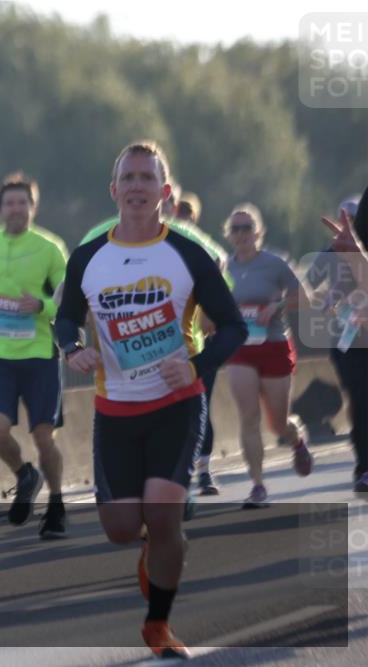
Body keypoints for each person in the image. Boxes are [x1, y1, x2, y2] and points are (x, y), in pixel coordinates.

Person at [56, 141, 246, 660]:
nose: (137, 187)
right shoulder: (88, 257)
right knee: (121, 528)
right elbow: (65, 318)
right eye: (128, 178)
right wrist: (72, 348)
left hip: (176, 404)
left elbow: (234, 326)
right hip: (114, 409)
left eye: (146, 178)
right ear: (113, 190)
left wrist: (195, 366)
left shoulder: (188, 254)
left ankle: (158, 624)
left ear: (164, 192)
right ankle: (151, 547)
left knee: (164, 517)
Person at [78, 192, 230, 497]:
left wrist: (208, 308)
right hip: (122, 361)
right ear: (116, 193)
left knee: (182, 421)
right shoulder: (97, 235)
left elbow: (219, 260)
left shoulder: (181, 233)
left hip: (180, 354)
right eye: (129, 185)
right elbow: (74, 285)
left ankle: (187, 479)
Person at [0, 172, 69, 536]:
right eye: (9, 203)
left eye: (22, 203)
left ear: (33, 207)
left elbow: (67, 299)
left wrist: (40, 305)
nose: (16, 209)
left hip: (39, 355)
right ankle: (25, 475)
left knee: (44, 438)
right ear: (0, 209)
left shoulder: (50, 247)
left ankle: (56, 504)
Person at [223, 203, 314, 509]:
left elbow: (304, 298)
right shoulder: (224, 269)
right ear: (228, 235)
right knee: (248, 417)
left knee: (277, 424)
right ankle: (258, 485)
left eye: (246, 228)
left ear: (258, 232)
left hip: (274, 345)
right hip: (240, 349)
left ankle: (296, 439)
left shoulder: (274, 264)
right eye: (235, 229)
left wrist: (278, 305)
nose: (241, 234)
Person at [313, 189, 368, 492]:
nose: (350, 223)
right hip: (347, 336)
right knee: (359, 397)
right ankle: (364, 465)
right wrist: (330, 300)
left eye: (355, 218)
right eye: (344, 217)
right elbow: (311, 284)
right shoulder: (332, 250)